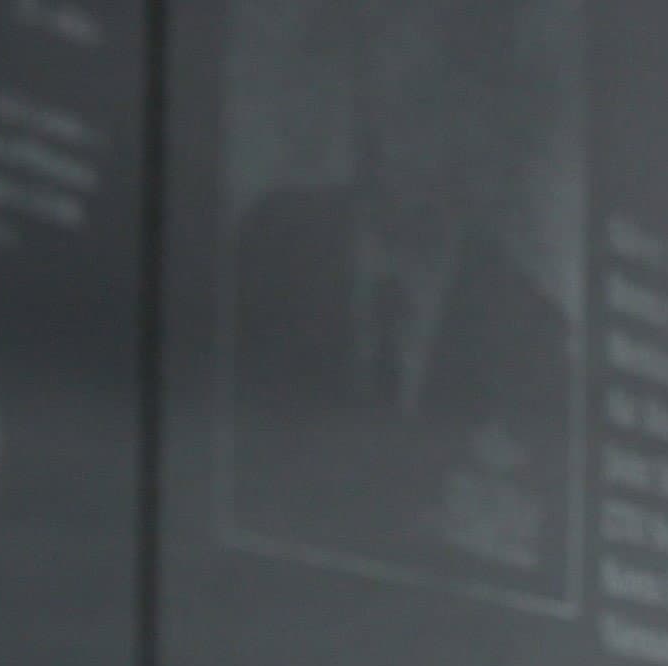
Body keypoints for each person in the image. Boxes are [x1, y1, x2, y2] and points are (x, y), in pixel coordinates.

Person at [225, 1, 575, 594]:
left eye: (422, 100)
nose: (386, 131)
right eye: (376, 93)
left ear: (483, 126)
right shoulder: (273, 246)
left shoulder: (531, 332)